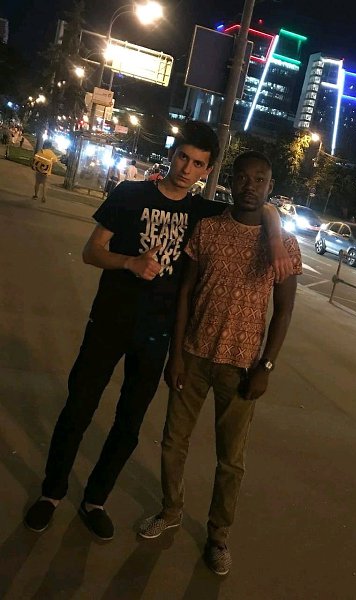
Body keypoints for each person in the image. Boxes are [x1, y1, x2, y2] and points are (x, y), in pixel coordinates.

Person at [24, 122, 292, 541]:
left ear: (207, 171)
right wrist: (129, 263)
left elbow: (261, 205)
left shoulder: (202, 212)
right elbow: (91, 251)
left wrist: (275, 238)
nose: (187, 169)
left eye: (198, 164)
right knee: (78, 408)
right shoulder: (130, 194)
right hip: (109, 322)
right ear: (172, 153)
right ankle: (51, 492)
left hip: (156, 335)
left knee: (129, 423)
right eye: (183, 157)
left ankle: (95, 500)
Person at [138, 150, 302, 576]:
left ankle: (218, 536)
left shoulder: (283, 245)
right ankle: (170, 509)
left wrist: (267, 367)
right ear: (230, 180)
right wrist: (176, 355)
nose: (250, 186)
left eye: (260, 180)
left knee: (231, 460)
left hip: (242, 367)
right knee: (173, 442)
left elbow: (284, 310)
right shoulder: (208, 229)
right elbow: (186, 293)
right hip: (193, 356)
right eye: (243, 178)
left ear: (270, 187)